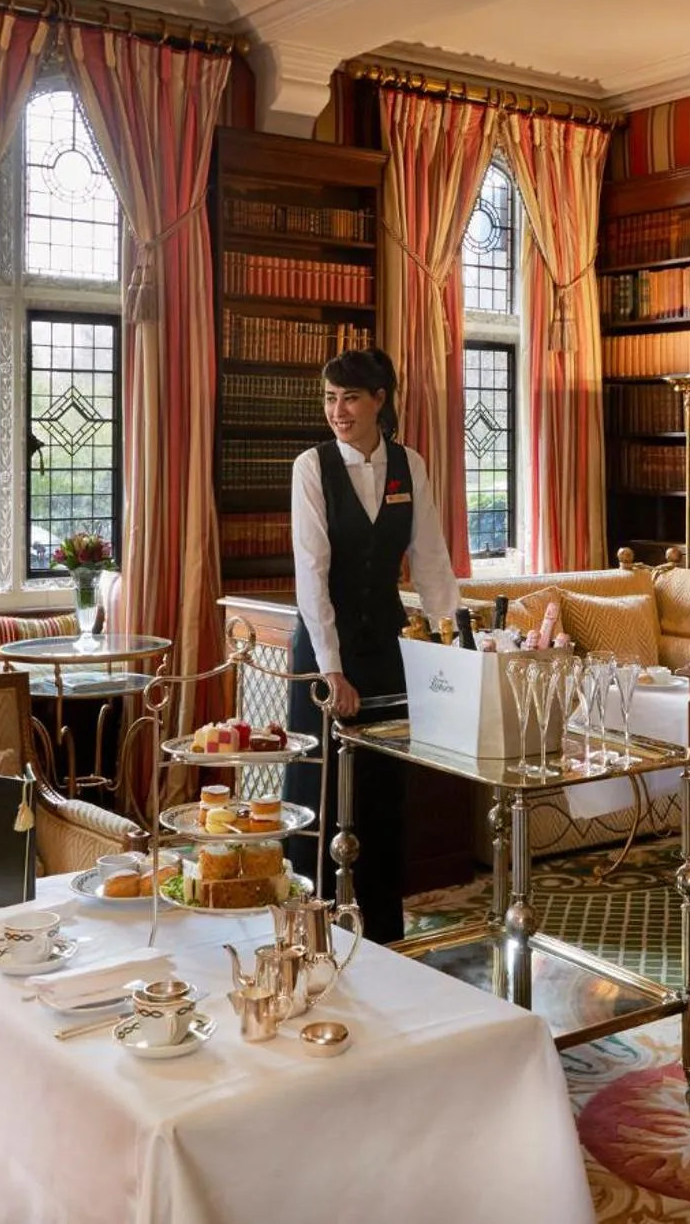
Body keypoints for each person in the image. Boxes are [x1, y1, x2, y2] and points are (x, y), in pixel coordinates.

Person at [286, 348, 460, 945]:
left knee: (385, 791)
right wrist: (332, 670)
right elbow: (312, 573)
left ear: (380, 400)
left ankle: (385, 933)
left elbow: (433, 564)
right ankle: (306, 931)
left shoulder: (409, 466)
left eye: (350, 398)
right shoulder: (311, 467)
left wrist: (448, 650)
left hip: (387, 648)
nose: (338, 411)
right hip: (322, 648)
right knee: (318, 789)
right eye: (330, 398)